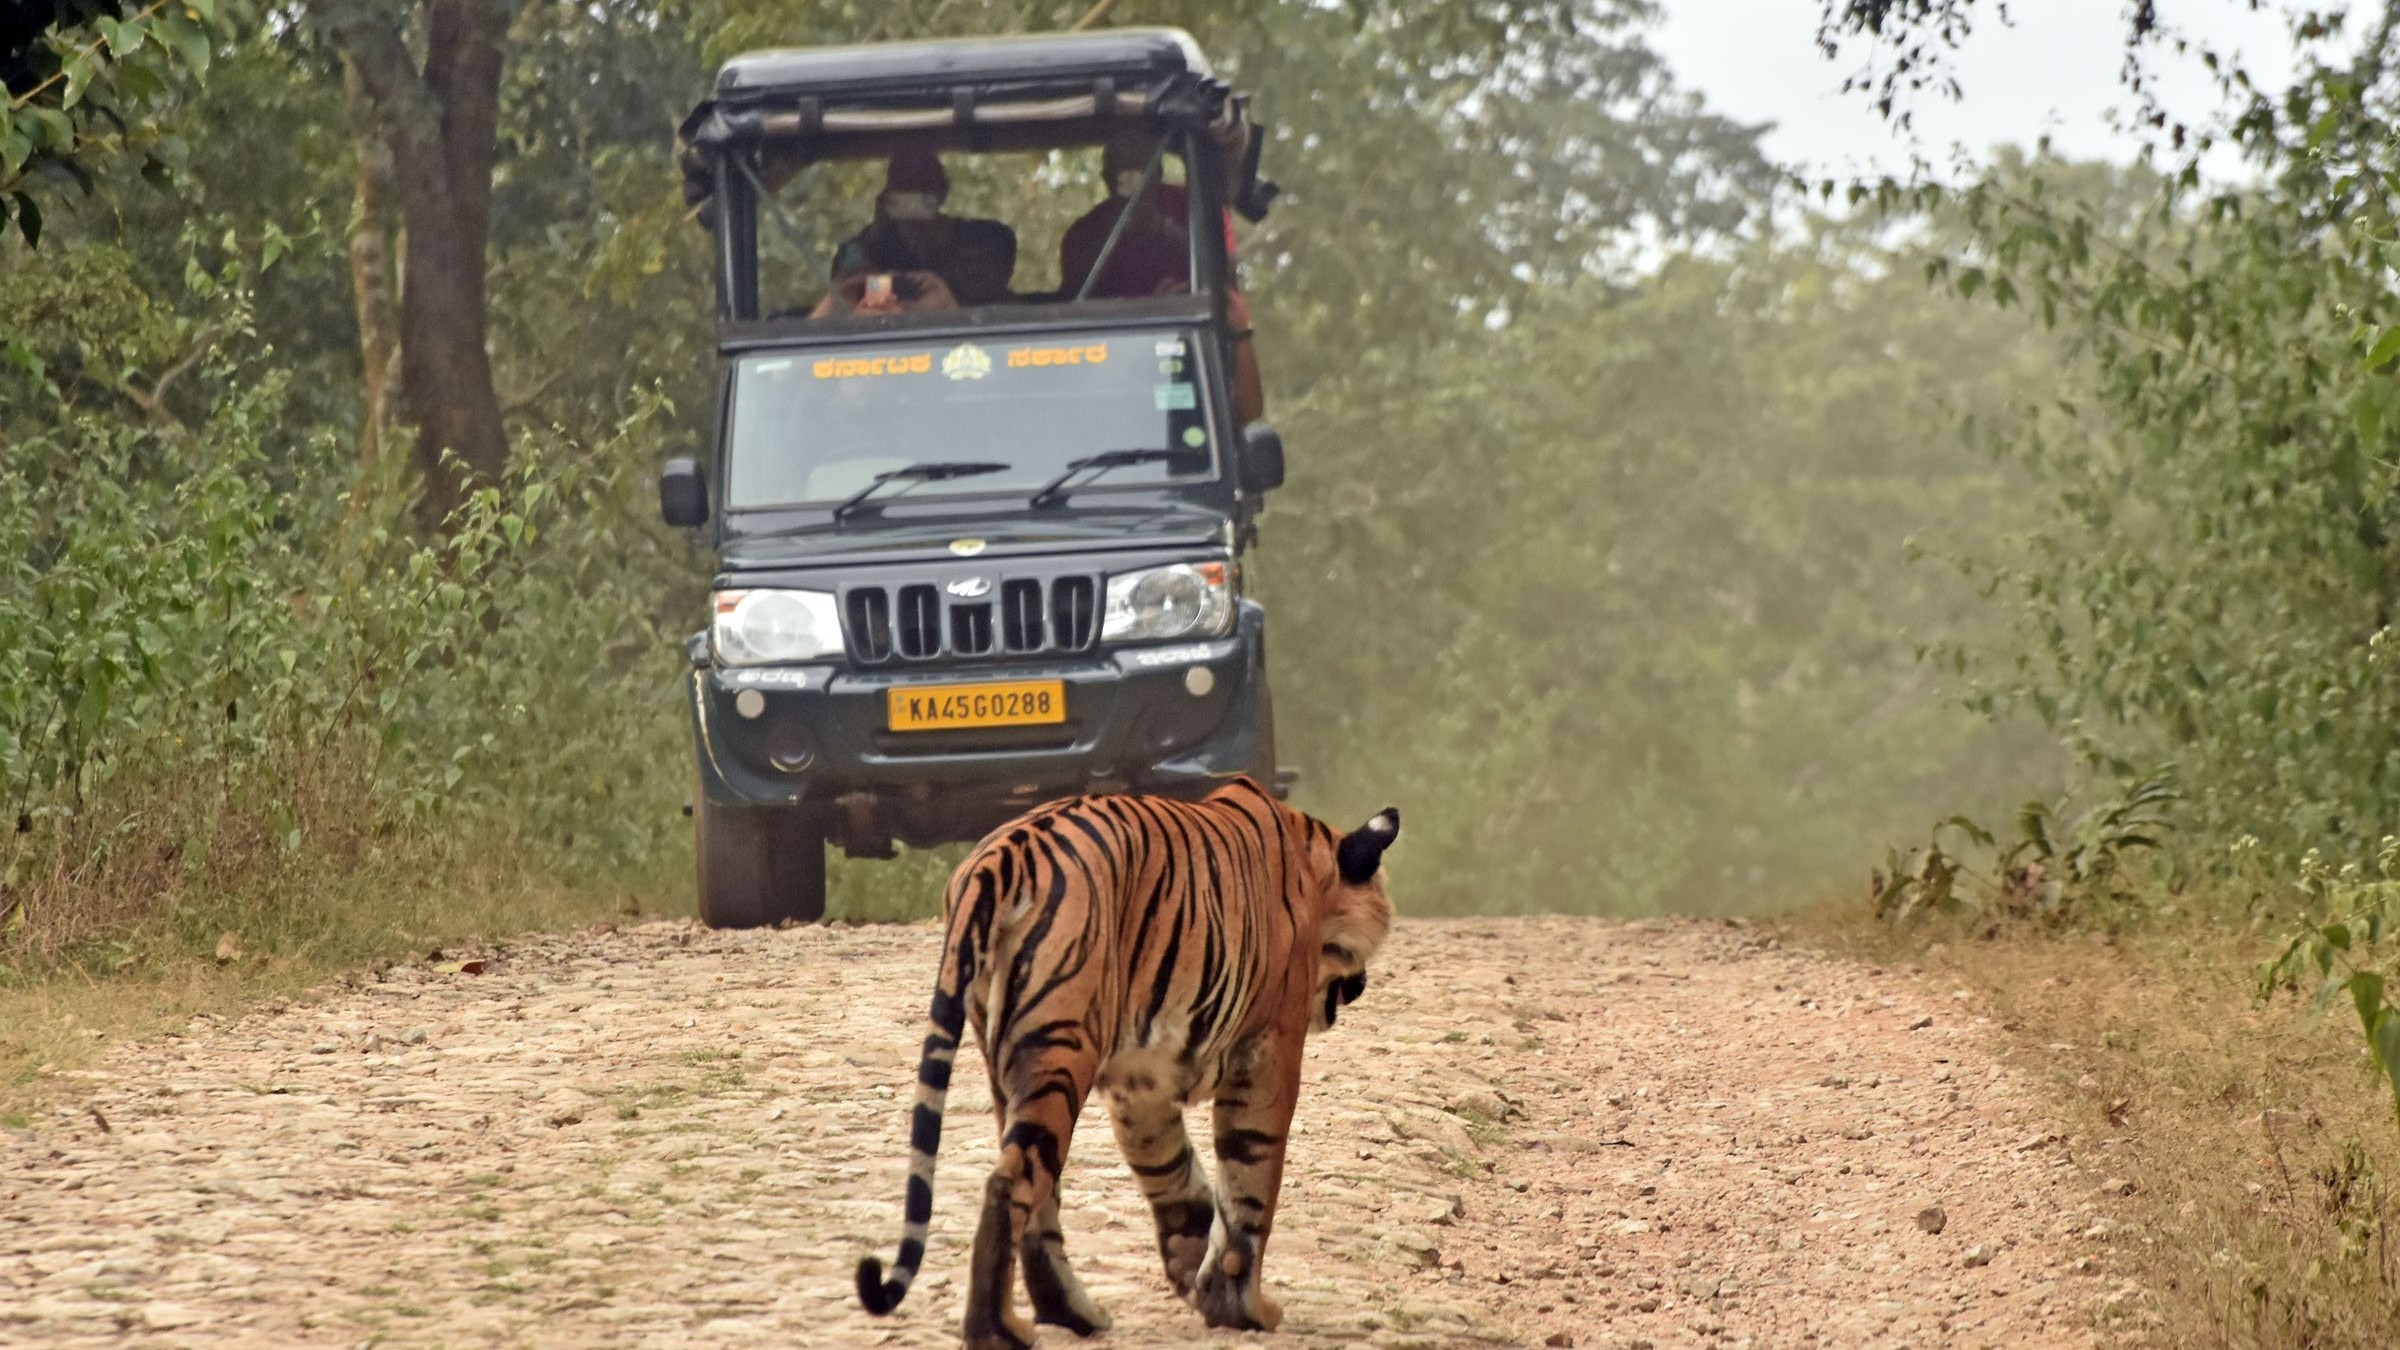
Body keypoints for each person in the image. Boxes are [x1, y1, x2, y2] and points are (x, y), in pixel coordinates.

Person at [830, 148, 1018, 306]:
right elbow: (849, 294)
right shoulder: (872, 246)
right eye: (904, 184)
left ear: (942, 191)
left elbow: (984, 297)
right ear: (888, 194)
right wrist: (877, 231)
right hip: (886, 340)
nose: (913, 193)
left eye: (923, 184)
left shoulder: (988, 241)